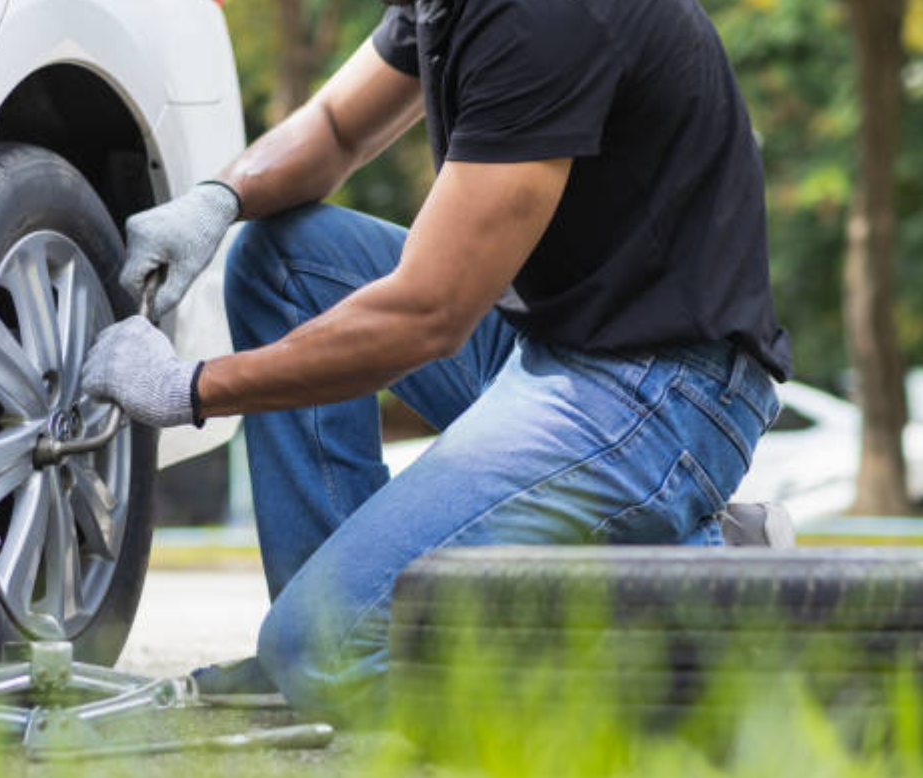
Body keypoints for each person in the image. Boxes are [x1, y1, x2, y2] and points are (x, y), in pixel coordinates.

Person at [81, 0, 794, 721]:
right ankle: (328, 631)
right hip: (548, 343)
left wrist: (186, 388)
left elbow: (426, 315)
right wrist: (217, 198)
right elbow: (333, 128)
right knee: (284, 260)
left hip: (657, 393)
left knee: (322, 653)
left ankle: (698, 592)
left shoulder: (545, 16)